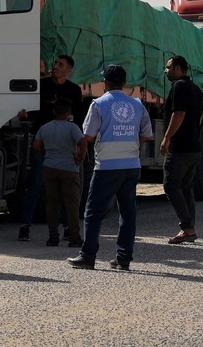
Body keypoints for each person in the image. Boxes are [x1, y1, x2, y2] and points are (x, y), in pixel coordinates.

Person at [69, 65, 153, 271]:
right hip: (131, 166)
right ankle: (123, 258)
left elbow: (88, 136)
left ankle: (88, 256)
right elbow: (146, 135)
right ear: (124, 83)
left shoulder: (98, 104)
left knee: (93, 212)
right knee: (128, 213)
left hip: (107, 166)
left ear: (105, 83)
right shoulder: (137, 104)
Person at [17, 54, 83, 242]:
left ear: (68, 70)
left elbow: (79, 120)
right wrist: (24, 115)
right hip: (43, 143)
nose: (55, 66)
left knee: (67, 189)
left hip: (64, 147)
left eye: (60, 65)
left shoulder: (73, 90)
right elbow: (31, 110)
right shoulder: (41, 86)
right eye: (55, 63)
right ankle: (25, 226)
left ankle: (68, 228)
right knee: (36, 184)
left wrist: (77, 152)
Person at [160, 55, 203, 244]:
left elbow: (179, 113)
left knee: (170, 185)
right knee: (185, 187)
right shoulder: (197, 89)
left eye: (168, 67)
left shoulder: (178, 86)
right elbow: (199, 119)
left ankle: (187, 228)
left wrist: (167, 137)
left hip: (180, 148)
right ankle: (190, 228)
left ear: (178, 68)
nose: (165, 71)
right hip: (194, 147)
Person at [35, 98, 87, 247]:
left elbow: (36, 145)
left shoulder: (45, 127)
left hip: (50, 168)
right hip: (69, 168)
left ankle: (53, 237)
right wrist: (80, 158)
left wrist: (46, 153)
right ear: (69, 113)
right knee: (72, 204)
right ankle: (74, 238)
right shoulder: (72, 128)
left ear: (54, 111)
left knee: (52, 204)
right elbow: (83, 142)